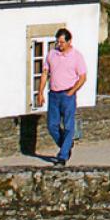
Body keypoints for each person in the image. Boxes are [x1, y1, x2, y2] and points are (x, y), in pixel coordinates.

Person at [36, 27, 87, 166]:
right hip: (54, 94)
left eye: (62, 42)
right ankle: (66, 145)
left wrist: (72, 91)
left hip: (67, 94)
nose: (60, 45)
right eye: (58, 42)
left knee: (69, 125)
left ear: (69, 41)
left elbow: (82, 77)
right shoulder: (51, 54)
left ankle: (62, 156)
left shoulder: (77, 56)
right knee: (52, 125)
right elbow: (45, 73)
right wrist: (40, 92)